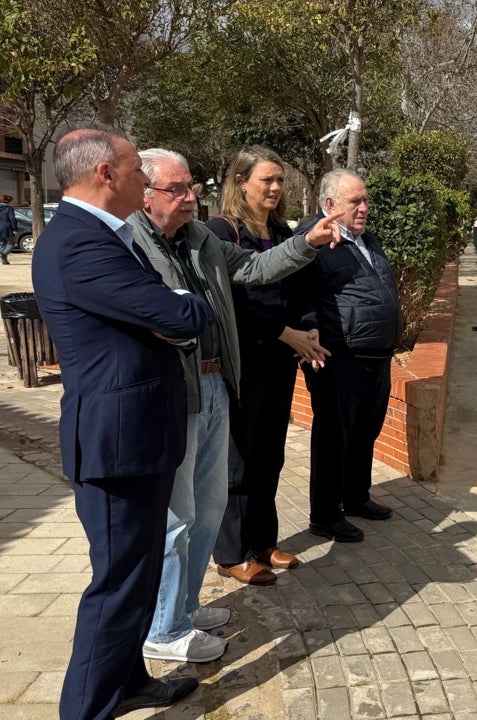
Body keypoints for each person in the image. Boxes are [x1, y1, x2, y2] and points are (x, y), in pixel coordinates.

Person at [130, 149, 342, 663]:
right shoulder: (129, 241)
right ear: (146, 193)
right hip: (175, 390)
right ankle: (163, 629)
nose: (189, 198)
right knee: (178, 517)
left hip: (217, 383)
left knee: (206, 509)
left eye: (191, 188)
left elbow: (256, 268)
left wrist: (306, 243)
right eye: (177, 190)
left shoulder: (200, 239)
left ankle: (183, 608)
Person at [32, 129, 212, 720]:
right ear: (107, 173)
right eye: (138, 168)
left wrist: (167, 312)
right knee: (115, 588)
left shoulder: (104, 236)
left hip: (139, 436)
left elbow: (158, 315)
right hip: (117, 445)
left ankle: (126, 680)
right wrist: (182, 308)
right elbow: (174, 313)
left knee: (135, 579)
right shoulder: (81, 243)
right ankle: (85, 709)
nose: (146, 178)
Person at [208, 146, 334, 582]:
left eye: (280, 180)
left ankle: (264, 540)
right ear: (241, 181)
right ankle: (231, 552)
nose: (277, 189)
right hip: (246, 359)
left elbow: (301, 290)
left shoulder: (282, 230)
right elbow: (232, 303)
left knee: (270, 456)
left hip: (280, 359)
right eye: (267, 180)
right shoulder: (221, 231)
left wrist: (309, 329)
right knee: (239, 460)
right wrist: (285, 333)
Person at [291, 169, 404, 543]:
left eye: (365, 200)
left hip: (375, 356)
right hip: (340, 357)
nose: (364, 207)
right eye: (355, 201)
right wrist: (310, 330)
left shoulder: (366, 240)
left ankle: (356, 498)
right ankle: (325, 514)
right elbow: (299, 295)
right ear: (329, 205)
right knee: (333, 439)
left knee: (364, 433)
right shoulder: (315, 242)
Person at [0, 194, 16, 264]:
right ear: (8, 201)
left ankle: (4, 260)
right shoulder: (9, 208)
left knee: (3, 243)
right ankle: (3, 254)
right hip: (7, 227)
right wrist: (15, 229)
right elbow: (12, 219)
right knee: (11, 243)